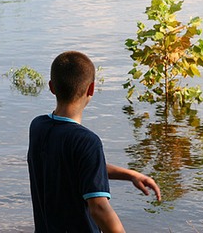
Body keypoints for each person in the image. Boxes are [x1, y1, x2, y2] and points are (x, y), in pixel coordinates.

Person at [27, 51, 161, 232]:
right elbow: (98, 207)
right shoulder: (87, 141)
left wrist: (129, 175)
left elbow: (79, 166)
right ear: (91, 89)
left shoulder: (38, 127)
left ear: (51, 87)